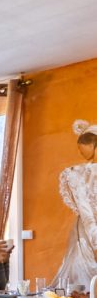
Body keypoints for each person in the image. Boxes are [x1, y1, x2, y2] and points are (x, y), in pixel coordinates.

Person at [53, 120, 97, 289]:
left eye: (81, 147)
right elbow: (85, 212)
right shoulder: (78, 173)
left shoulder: (80, 175)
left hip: (89, 229)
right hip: (85, 233)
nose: (79, 151)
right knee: (81, 279)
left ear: (92, 143)